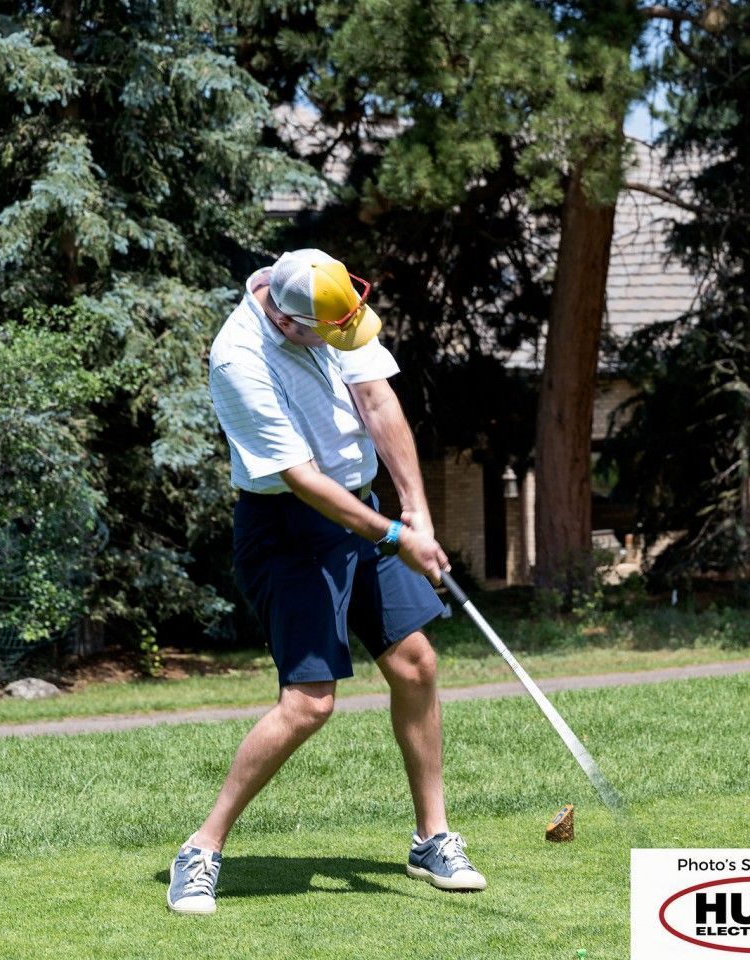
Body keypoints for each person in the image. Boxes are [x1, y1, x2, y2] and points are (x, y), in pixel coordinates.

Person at [166, 248, 487, 915]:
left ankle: (431, 839)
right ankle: (200, 849)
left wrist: (416, 510)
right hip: (288, 530)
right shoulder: (238, 359)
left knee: (417, 664)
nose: (346, 338)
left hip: (361, 510)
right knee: (309, 704)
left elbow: (377, 400)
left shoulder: (325, 292)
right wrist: (395, 537)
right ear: (287, 324)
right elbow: (302, 480)